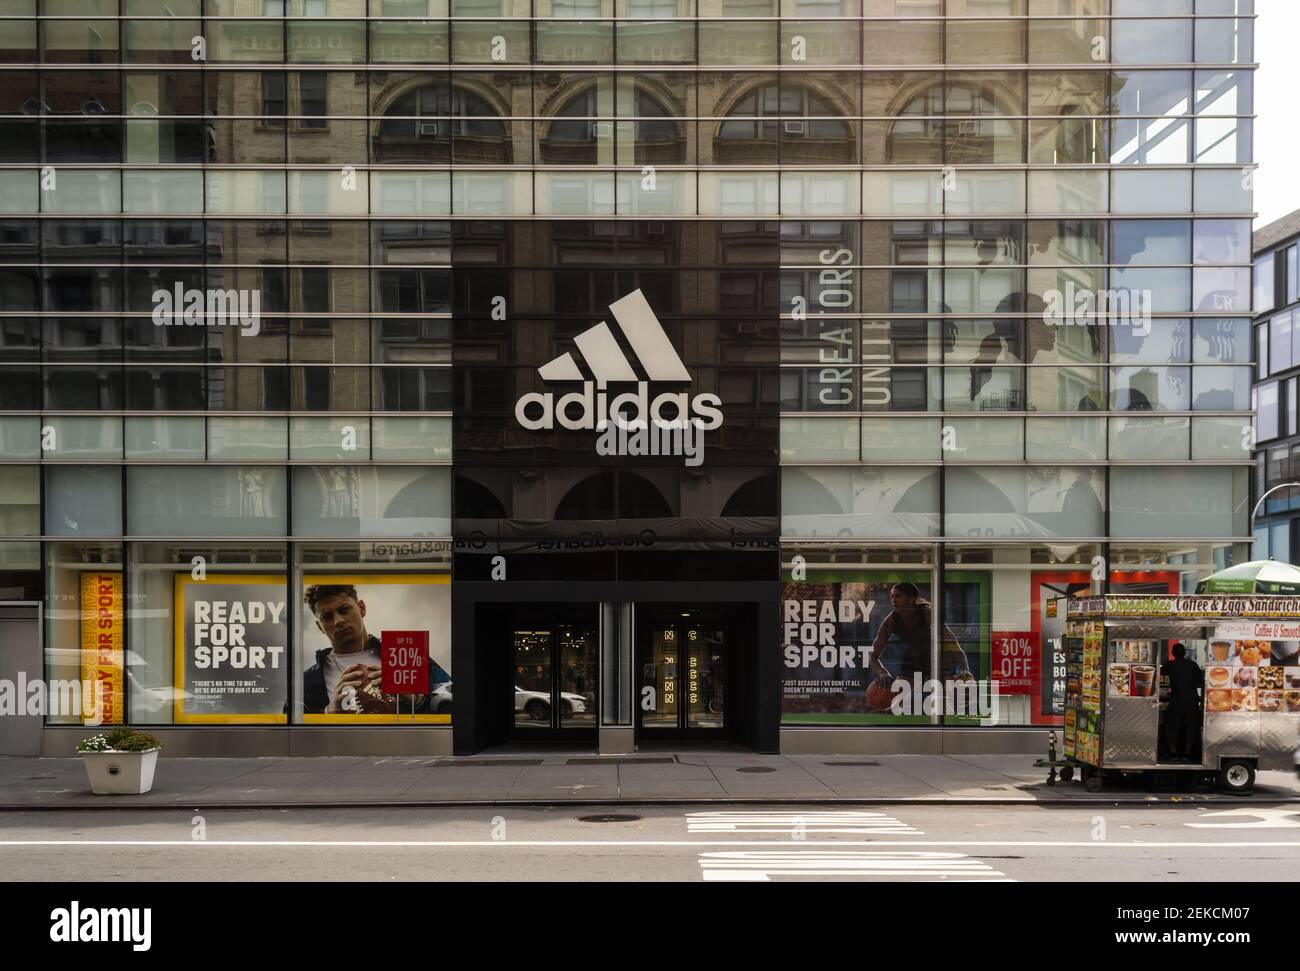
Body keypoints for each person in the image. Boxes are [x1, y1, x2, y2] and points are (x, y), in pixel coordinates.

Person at [301, 584, 450, 715]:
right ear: (319, 626)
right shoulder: (308, 680)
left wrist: (417, 700)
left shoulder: (404, 655)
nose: (338, 621)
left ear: (362, 608)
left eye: (344, 609)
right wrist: (327, 714)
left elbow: (455, 704)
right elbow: (291, 739)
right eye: (327, 617)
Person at [868, 582, 973, 688]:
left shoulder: (927, 613)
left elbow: (952, 642)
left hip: (937, 656)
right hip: (915, 656)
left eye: (898, 596)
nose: (893, 600)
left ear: (911, 599)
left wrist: (965, 668)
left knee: (947, 694)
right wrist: (882, 672)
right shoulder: (890, 622)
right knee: (898, 694)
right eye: (892, 596)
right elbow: (873, 657)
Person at [1162, 642, 1203, 762]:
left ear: (1173, 654)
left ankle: (1173, 752)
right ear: (1185, 653)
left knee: (1172, 725)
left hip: (1176, 700)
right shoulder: (1193, 665)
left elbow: (1160, 676)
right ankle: (1187, 752)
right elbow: (1200, 680)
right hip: (1192, 700)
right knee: (1191, 726)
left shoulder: (1170, 665)